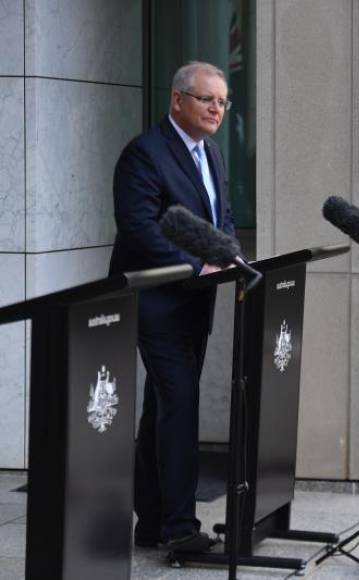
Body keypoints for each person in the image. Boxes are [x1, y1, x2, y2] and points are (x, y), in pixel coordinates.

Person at [109, 61, 236, 553]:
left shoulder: (213, 154)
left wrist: (229, 254)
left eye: (222, 102)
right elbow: (138, 227)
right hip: (156, 301)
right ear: (178, 99)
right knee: (179, 404)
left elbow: (222, 216)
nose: (216, 109)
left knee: (161, 408)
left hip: (195, 304)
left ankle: (152, 520)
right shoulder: (144, 154)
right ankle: (181, 528)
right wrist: (193, 266)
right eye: (207, 99)